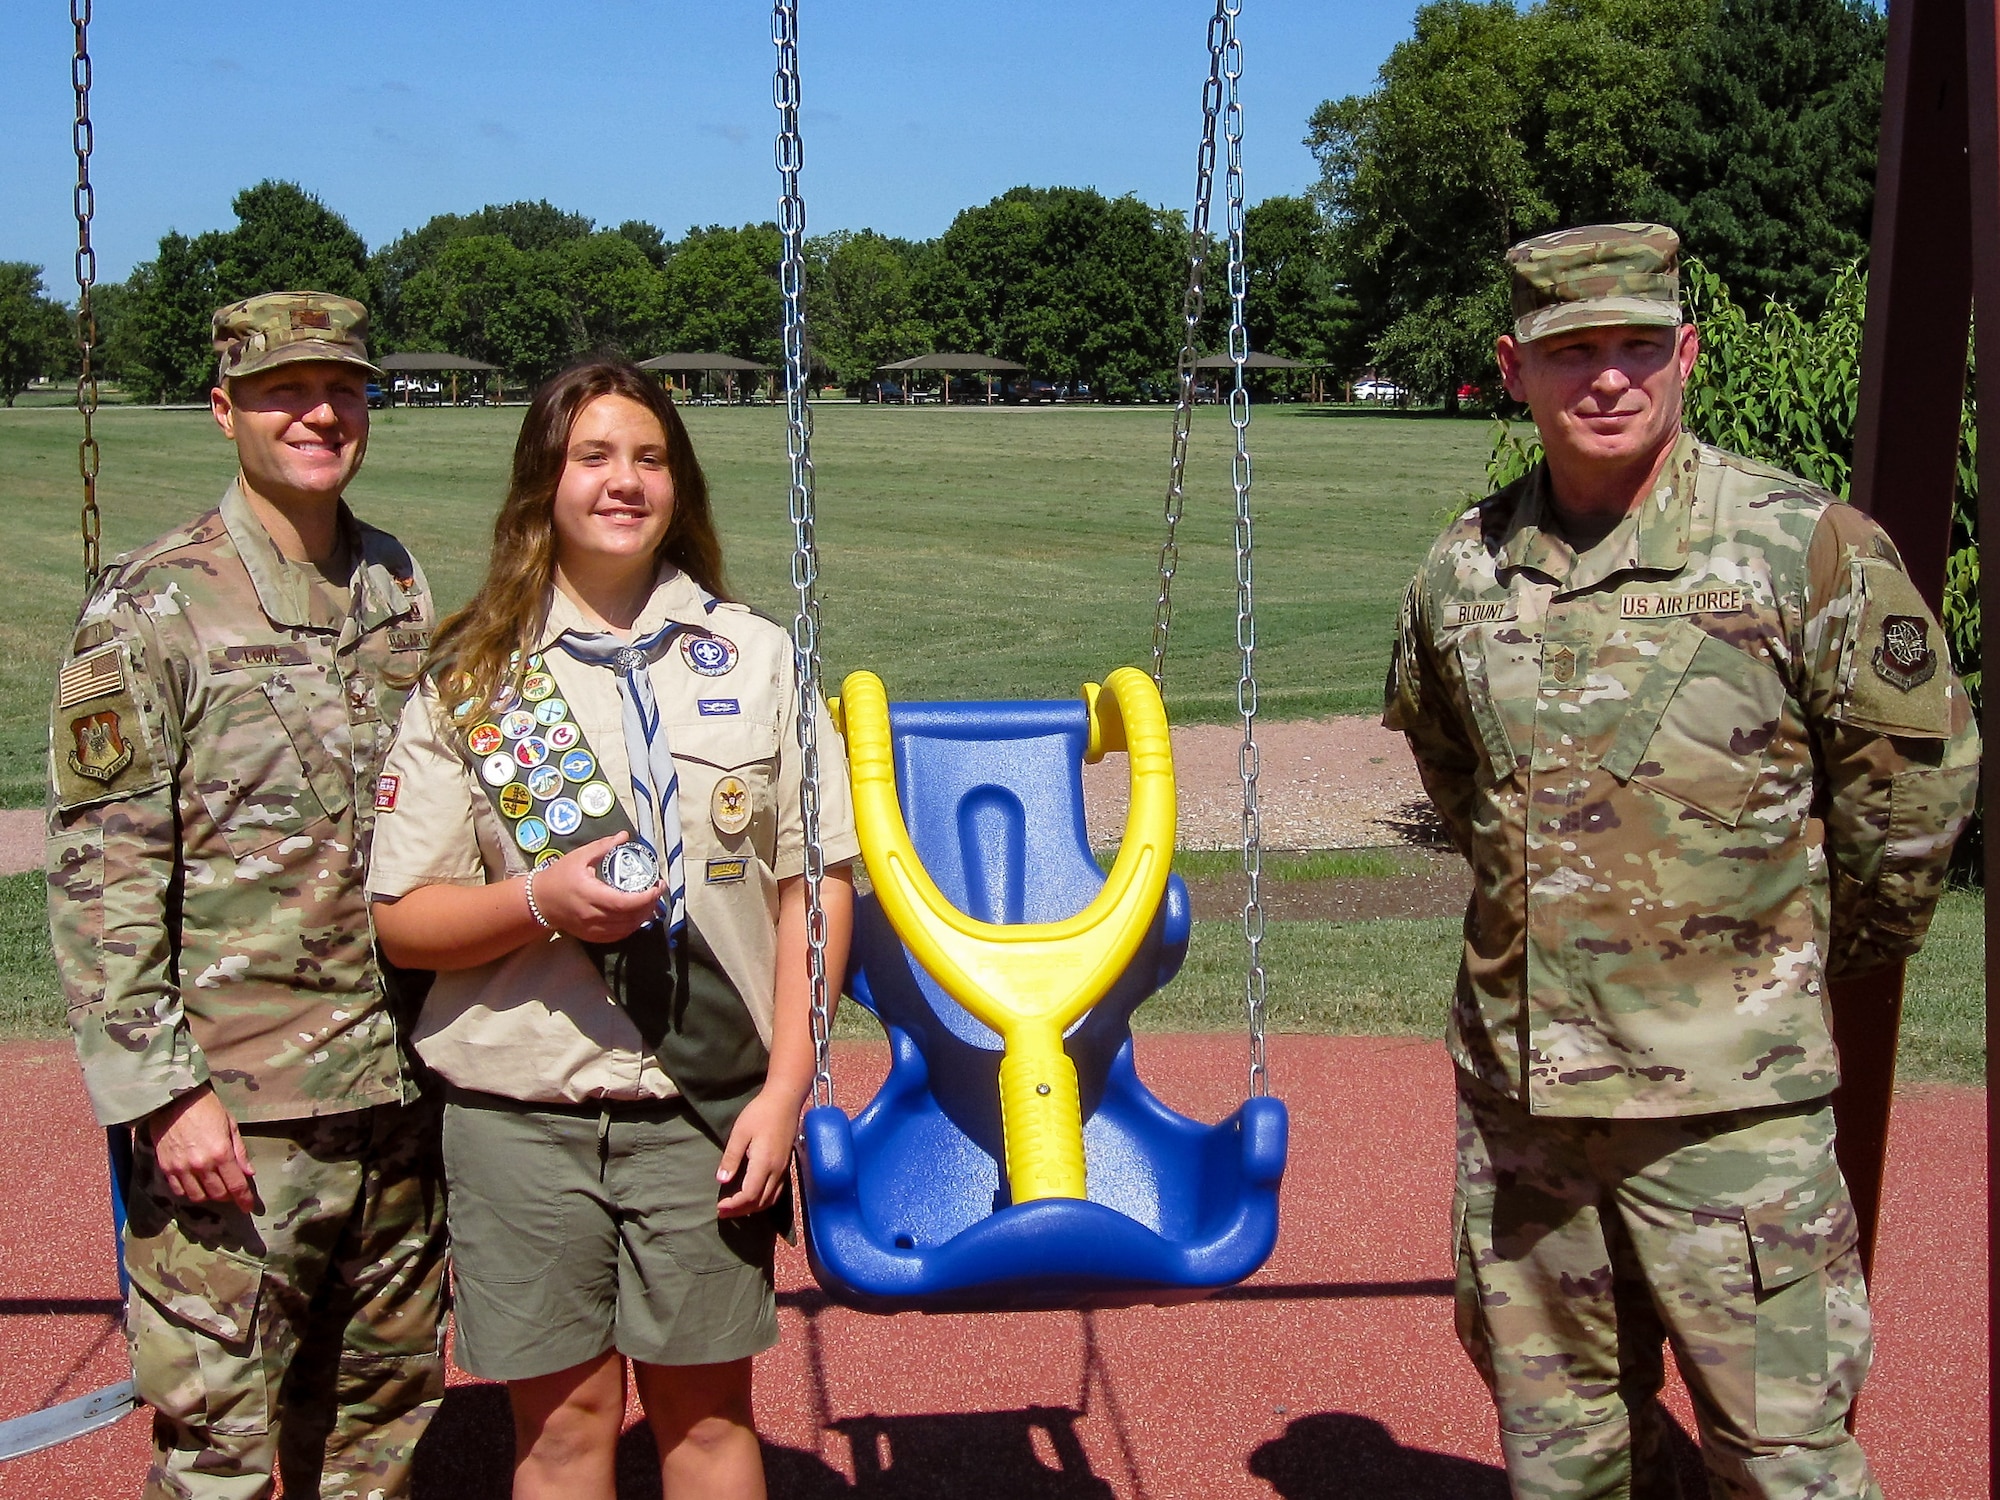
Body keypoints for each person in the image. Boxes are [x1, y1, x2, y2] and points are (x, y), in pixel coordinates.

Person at [1384, 224, 1980, 1498]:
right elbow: (1458, 776)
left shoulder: (1799, 547)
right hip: (1526, 1112)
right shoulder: (1460, 571)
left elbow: (1913, 793)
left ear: (1684, 354)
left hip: (1728, 1116)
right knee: (1563, 1457)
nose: (1606, 378)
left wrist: (1805, 970)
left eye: (1635, 348)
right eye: (1570, 352)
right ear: (1512, 368)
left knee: (1779, 1463)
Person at [366, 355, 857, 1500]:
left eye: (647, 458)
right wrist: (538, 903)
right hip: (518, 1116)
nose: (622, 482)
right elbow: (404, 920)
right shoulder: (475, 676)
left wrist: (785, 1089)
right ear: (545, 481)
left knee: (705, 1421)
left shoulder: (756, 656)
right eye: (592, 456)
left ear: (677, 484)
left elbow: (815, 884)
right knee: (562, 1428)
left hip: (704, 1113)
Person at [46, 291, 446, 1498]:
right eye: (284, 392)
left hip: (395, 1096)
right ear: (226, 412)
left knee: (381, 1430)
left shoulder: (395, 582)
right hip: (238, 1117)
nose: (320, 413)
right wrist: (164, 1096)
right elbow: (102, 875)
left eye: (343, 388)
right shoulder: (154, 605)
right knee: (217, 1447)